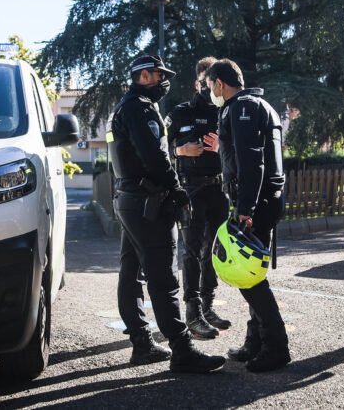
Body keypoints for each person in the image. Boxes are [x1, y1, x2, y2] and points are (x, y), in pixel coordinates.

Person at [108, 54, 225, 374]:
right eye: (159, 75)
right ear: (144, 76)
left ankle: (142, 344)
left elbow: (118, 158)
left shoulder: (121, 107)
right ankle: (183, 351)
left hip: (128, 199)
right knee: (164, 278)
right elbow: (155, 157)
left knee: (130, 272)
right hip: (148, 202)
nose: (164, 81)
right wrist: (177, 190)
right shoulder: (141, 108)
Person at [204, 58, 291, 372]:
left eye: (209, 85)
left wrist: (244, 210)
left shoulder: (241, 107)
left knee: (249, 278)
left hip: (256, 204)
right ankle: (256, 342)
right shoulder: (258, 105)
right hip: (264, 200)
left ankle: (277, 347)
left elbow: (252, 161)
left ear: (220, 83)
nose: (209, 91)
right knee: (251, 274)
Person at [167, 56, 232, 339]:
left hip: (218, 190)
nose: (212, 87)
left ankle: (208, 307)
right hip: (191, 189)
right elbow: (159, 149)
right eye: (208, 81)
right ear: (199, 82)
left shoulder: (227, 110)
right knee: (191, 252)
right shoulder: (180, 112)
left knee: (213, 251)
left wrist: (223, 148)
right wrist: (180, 152)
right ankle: (192, 315)